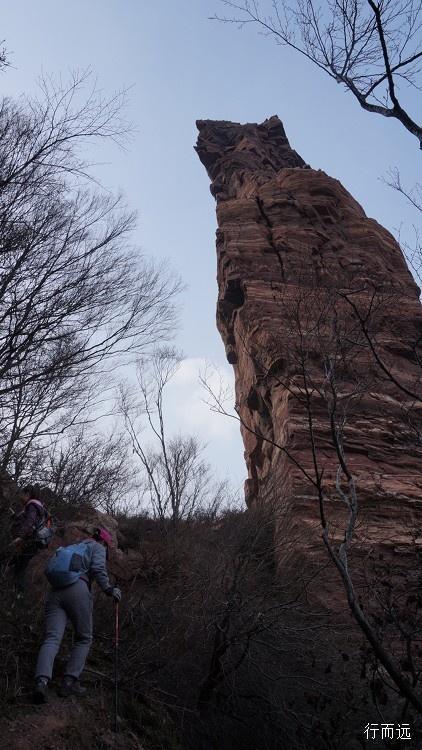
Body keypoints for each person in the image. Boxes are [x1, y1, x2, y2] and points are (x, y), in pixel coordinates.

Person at [33, 527, 121, 704]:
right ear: (103, 541)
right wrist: (108, 589)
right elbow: (97, 568)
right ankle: (69, 681)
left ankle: (41, 682)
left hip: (55, 592)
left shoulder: (74, 547)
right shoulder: (98, 547)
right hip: (77, 589)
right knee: (84, 638)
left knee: (51, 638)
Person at [10, 485, 47, 592]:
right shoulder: (39, 507)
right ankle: (16, 593)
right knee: (18, 566)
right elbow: (27, 520)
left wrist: (20, 536)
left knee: (19, 569)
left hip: (29, 543)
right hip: (33, 544)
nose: (20, 496)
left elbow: (29, 522)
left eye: (22, 494)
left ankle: (19, 594)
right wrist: (14, 517)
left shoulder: (32, 506)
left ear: (28, 494)